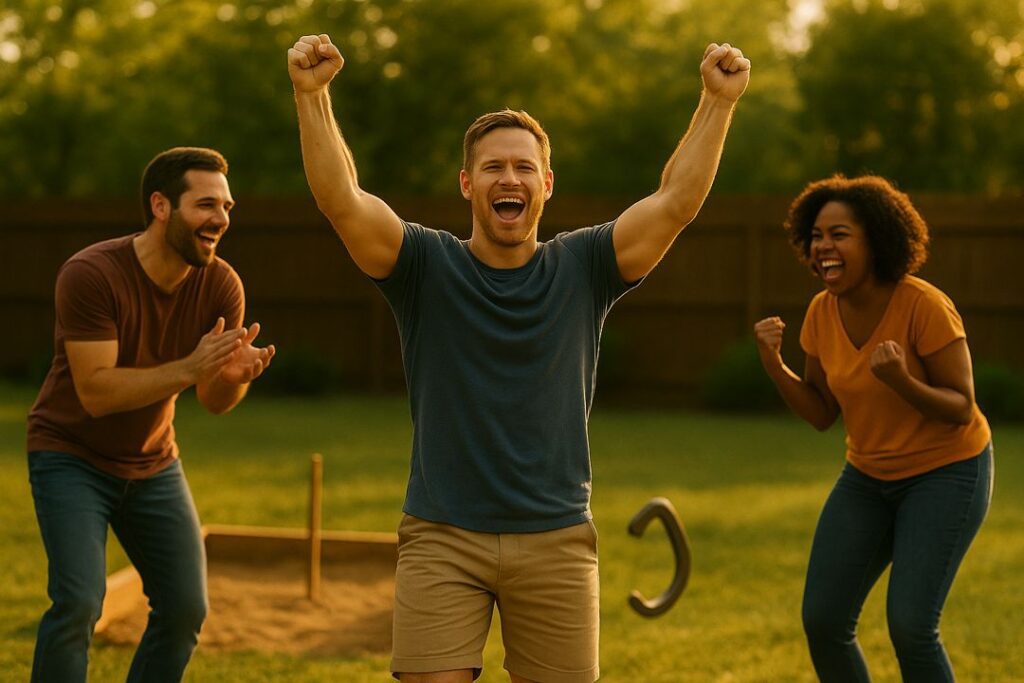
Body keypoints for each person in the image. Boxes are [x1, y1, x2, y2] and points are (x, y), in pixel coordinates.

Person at [288, 33, 748, 683]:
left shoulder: (585, 265)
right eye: (494, 167)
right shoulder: (423, 265)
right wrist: (311, 95)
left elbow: (675, 203)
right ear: (467, 183)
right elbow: (342, 200)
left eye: (525, 167)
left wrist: (717, 102)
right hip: (442, 536)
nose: (510, 178)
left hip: (557, 538)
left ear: (546, 184)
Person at [26, 147, 275, 682]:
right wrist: (192, 367)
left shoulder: (221, 285)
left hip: (153, 462)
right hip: (70, 456)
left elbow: (213, 401)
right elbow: (96, 392)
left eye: (227, 207)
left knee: (185, 609)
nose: (221, 219)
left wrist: (232, 378)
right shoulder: (92, 274)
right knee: (78, 605)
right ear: (161, 206)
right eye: (206, 205)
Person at [754, 175, 992, 682]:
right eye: (816, 236)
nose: (823, 246)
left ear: (877, 241)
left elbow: (961, 406)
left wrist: (902, 380)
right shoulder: (821, 311)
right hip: (867, 477)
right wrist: (776, 366)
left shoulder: (924, 305)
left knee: (911, 627)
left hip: (947, 473)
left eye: (839, 234)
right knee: (824, 620)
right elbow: (822, 413)